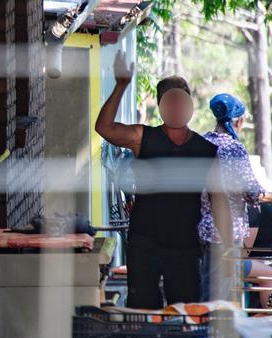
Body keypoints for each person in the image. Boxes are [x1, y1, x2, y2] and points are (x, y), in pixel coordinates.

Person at [95, 51, 231, 309]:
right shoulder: (141, 137)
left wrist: (227, 247)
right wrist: (121, 85)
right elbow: (104, 128)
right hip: (144, 241)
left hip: (185, 246)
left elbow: (219, 200)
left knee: (184, 312)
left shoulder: (206, 150)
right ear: (162, 106)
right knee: (143, 309)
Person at [199, 93, 272, 306]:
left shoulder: (201, 142)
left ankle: (200, 332)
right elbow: (251, 192)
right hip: (225, 233)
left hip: (201, 229)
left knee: (207, 285)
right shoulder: (233, 149)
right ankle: (212, 335)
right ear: (238, 121)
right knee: (223, 292)